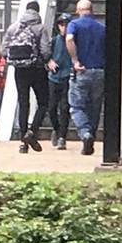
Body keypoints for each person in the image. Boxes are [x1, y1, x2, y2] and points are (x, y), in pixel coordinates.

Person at [3, 1, 50, 154]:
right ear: (38, 12)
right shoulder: (40, 28)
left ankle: (23, 143)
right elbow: (45, 51)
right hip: (37, 69)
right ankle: (32, 131)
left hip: (20, 71)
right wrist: (46, 59)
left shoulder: (13, 28)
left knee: (23, 103)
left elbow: (4, 50)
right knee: (43, 102)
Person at [65, 0, 107, 156]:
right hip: (100, 71)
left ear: (78, 10)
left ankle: (85, 133)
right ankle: (91, 137)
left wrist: (75, 60)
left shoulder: (74, 25)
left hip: (82, 71)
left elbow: (69, 38)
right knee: (95, 108)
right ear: (92, 10)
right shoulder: (102, 28)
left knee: (77, 106)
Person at [46, 13, 73, 149]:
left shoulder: (73, 41)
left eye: (66, 24)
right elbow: (46, 56)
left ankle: (62, 136)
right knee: (51, 108)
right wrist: (49, 62)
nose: (64, 27)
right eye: (61, 24)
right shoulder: (54, 41)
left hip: (68, 77)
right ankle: (56, 129)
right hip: (54, 77)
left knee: (64, 108)